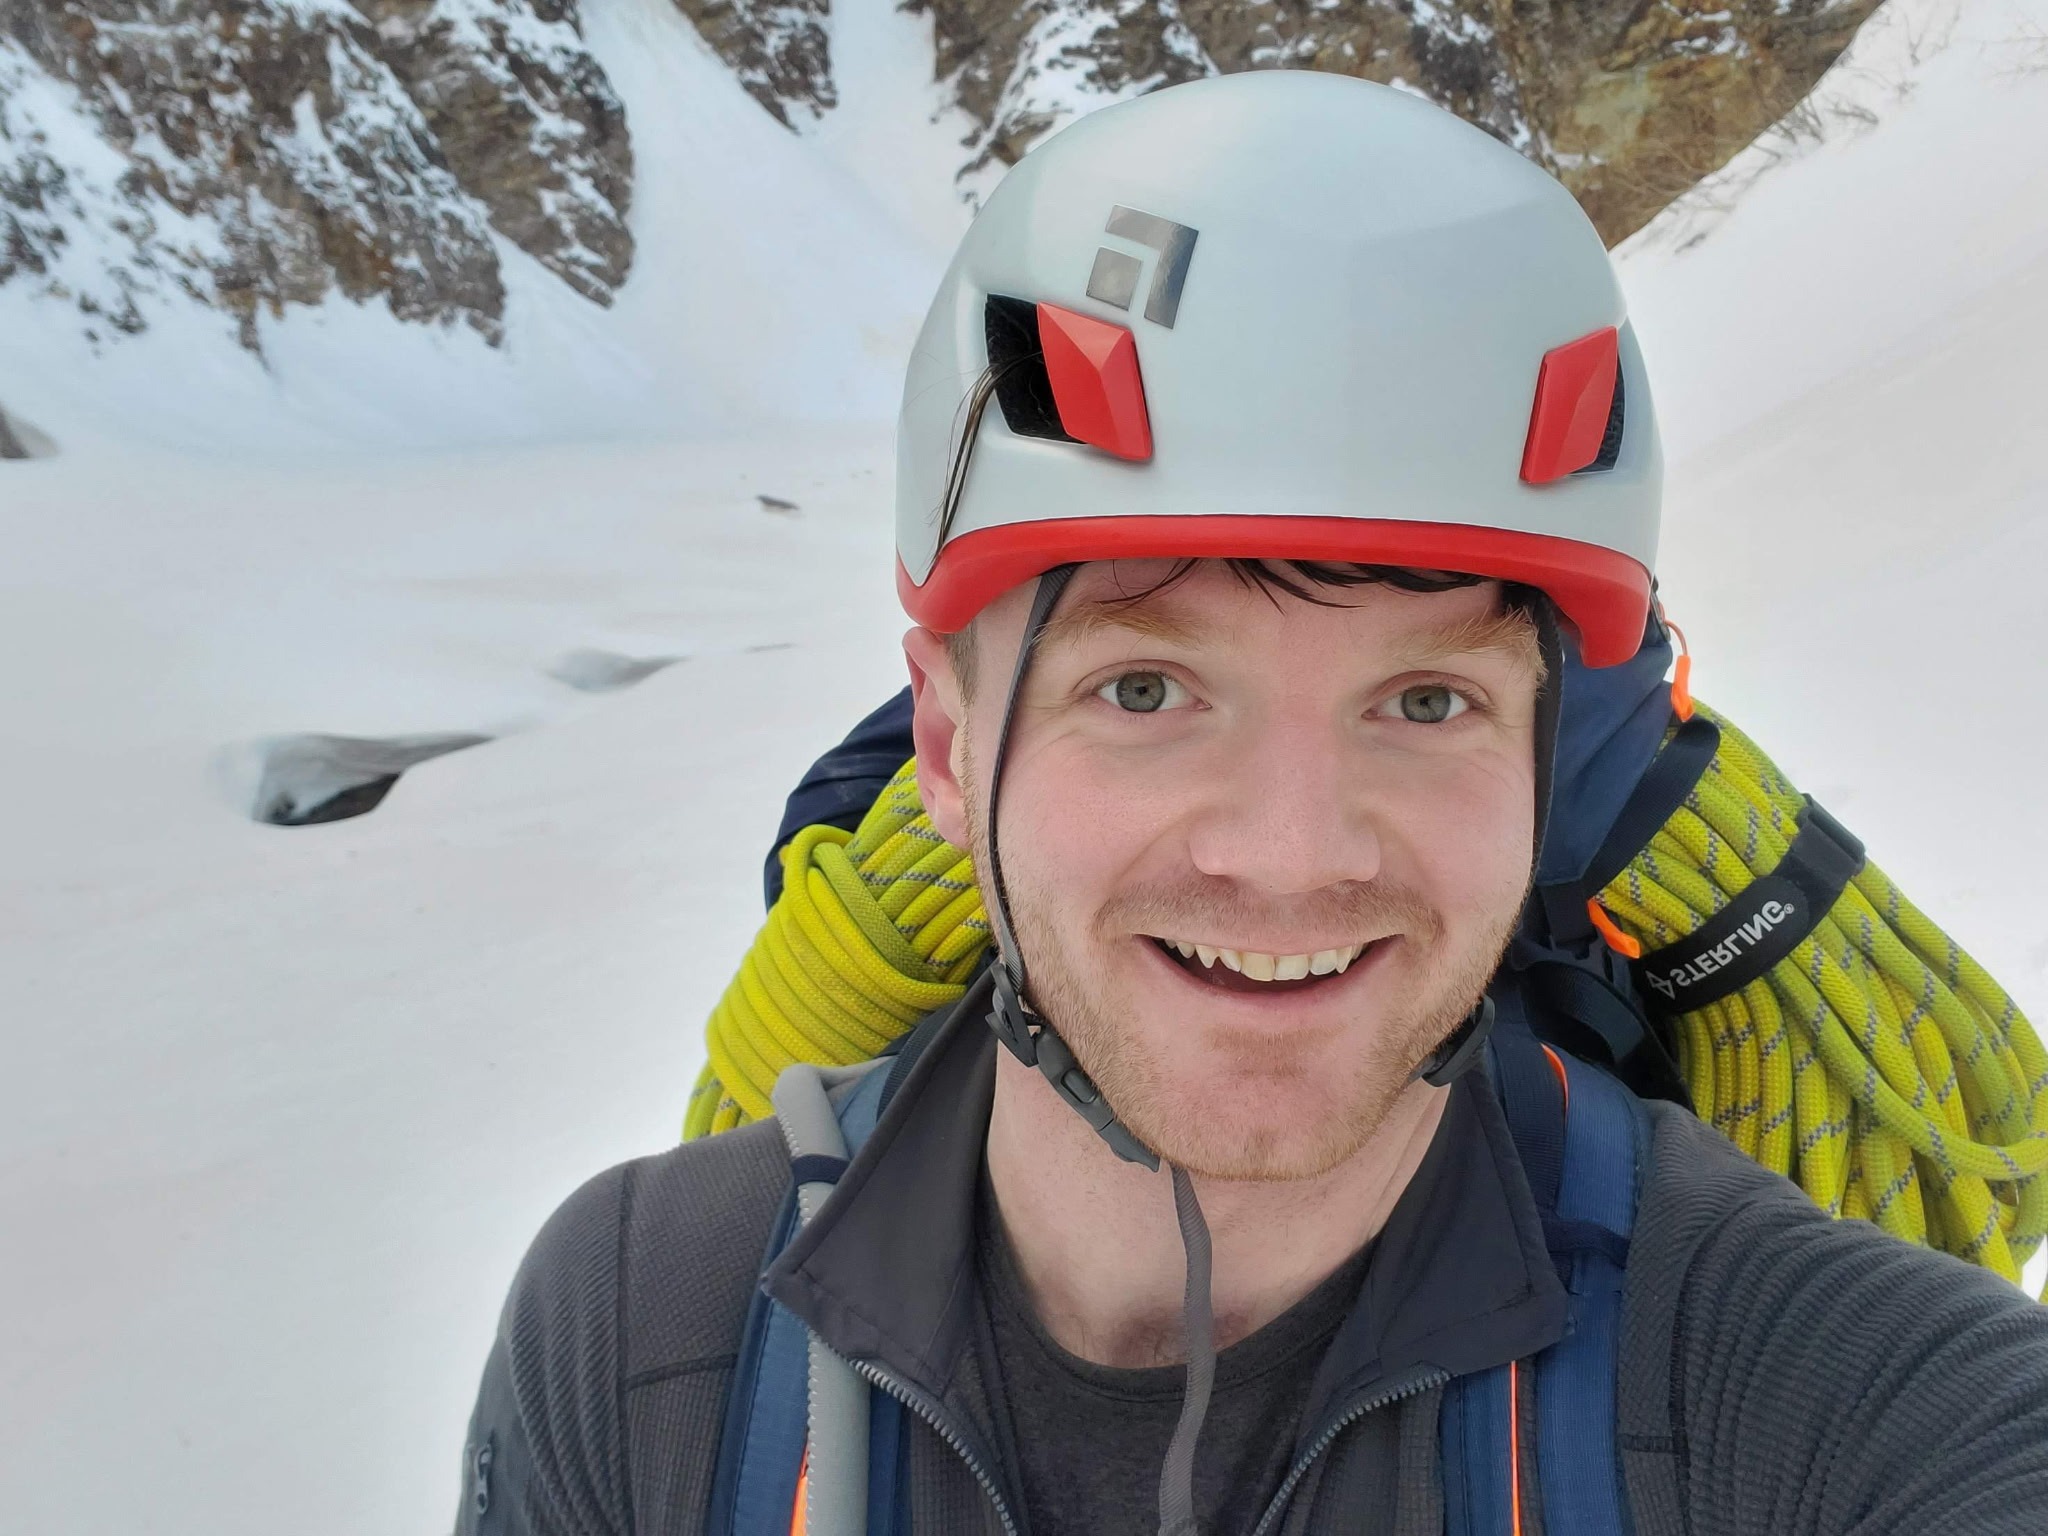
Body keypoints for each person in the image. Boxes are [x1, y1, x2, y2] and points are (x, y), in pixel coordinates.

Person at [455, 71, 2048, 1536]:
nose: (1290, 856)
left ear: (1545, 754)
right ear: (946, 743)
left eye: (1425, 703)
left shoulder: (1853, 1397)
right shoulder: (633, 1343)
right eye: (1146, 691)